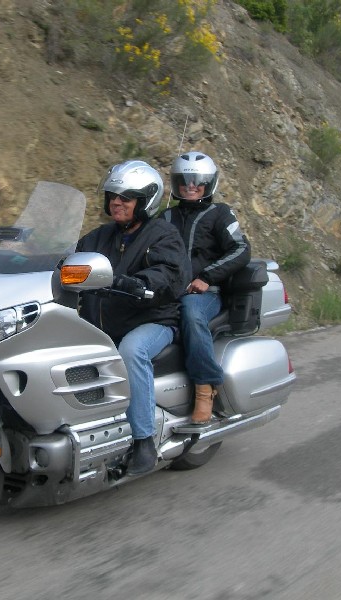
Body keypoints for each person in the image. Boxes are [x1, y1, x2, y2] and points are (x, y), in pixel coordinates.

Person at [76, 160, 190, 475]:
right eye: (113, 195)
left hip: (153, 321)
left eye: (126, 197)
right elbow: (69, 259)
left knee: (132, 351)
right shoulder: (99, 237)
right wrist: (25, 260)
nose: (117, 202)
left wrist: (139, 283)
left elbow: (170, 272)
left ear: (145, 201)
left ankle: (143, 442)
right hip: (103, 324)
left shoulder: (163, 234)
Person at [161, 151, 251, 424]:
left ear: (209, 183)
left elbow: (241, 249)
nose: (191, 185)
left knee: (191, 312)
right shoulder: (165, 217)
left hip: (205, 294)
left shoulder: (220, 213)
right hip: (168, 292)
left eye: (198, 180)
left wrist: (207, 277)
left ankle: (205, 387)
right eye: (184, 179)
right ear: (176, 183)